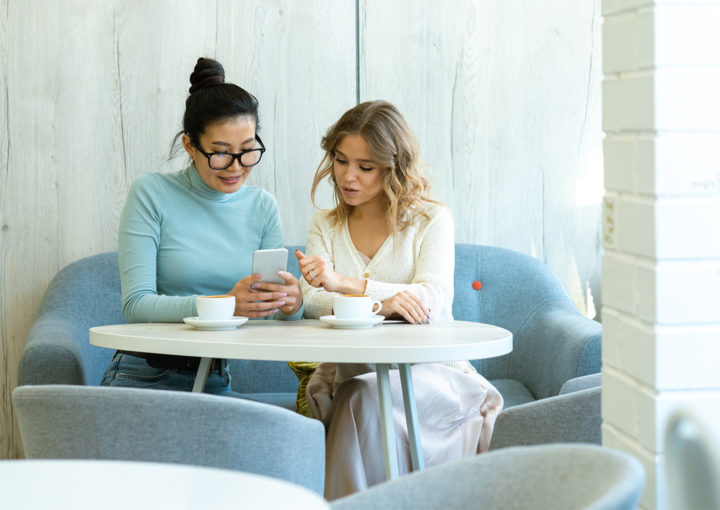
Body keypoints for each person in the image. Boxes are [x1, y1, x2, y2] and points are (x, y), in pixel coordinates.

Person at [294, 100, 503, 499]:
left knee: (361, 399)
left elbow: (431, 299)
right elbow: (314, 301)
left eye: (365, 167)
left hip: (439, 381)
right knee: (361, 395)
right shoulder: (325, 224)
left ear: (393, 168)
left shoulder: (431, 220)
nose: (348, 176)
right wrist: (384, 304)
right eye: (340, 160)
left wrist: (347, 285)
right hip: (356, 381)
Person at [101, 57, 303, 395]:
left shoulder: (263, 207)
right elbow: (137, 306)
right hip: (145, 376)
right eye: (221, 153)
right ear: (190, 146)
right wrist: (225, 303)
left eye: (248, 150)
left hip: (215, 379)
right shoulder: (151, 193)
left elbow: (268, 317)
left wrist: (291, 305)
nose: (236, 167)